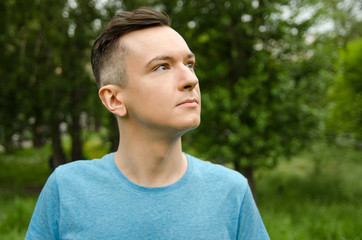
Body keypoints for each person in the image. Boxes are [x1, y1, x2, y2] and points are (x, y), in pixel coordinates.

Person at [25, 7, 269, 240]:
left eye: (189, 64)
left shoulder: (231, 192)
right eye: (162, 67)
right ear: (114, 99)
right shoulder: (66, 190)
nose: (190, 80)